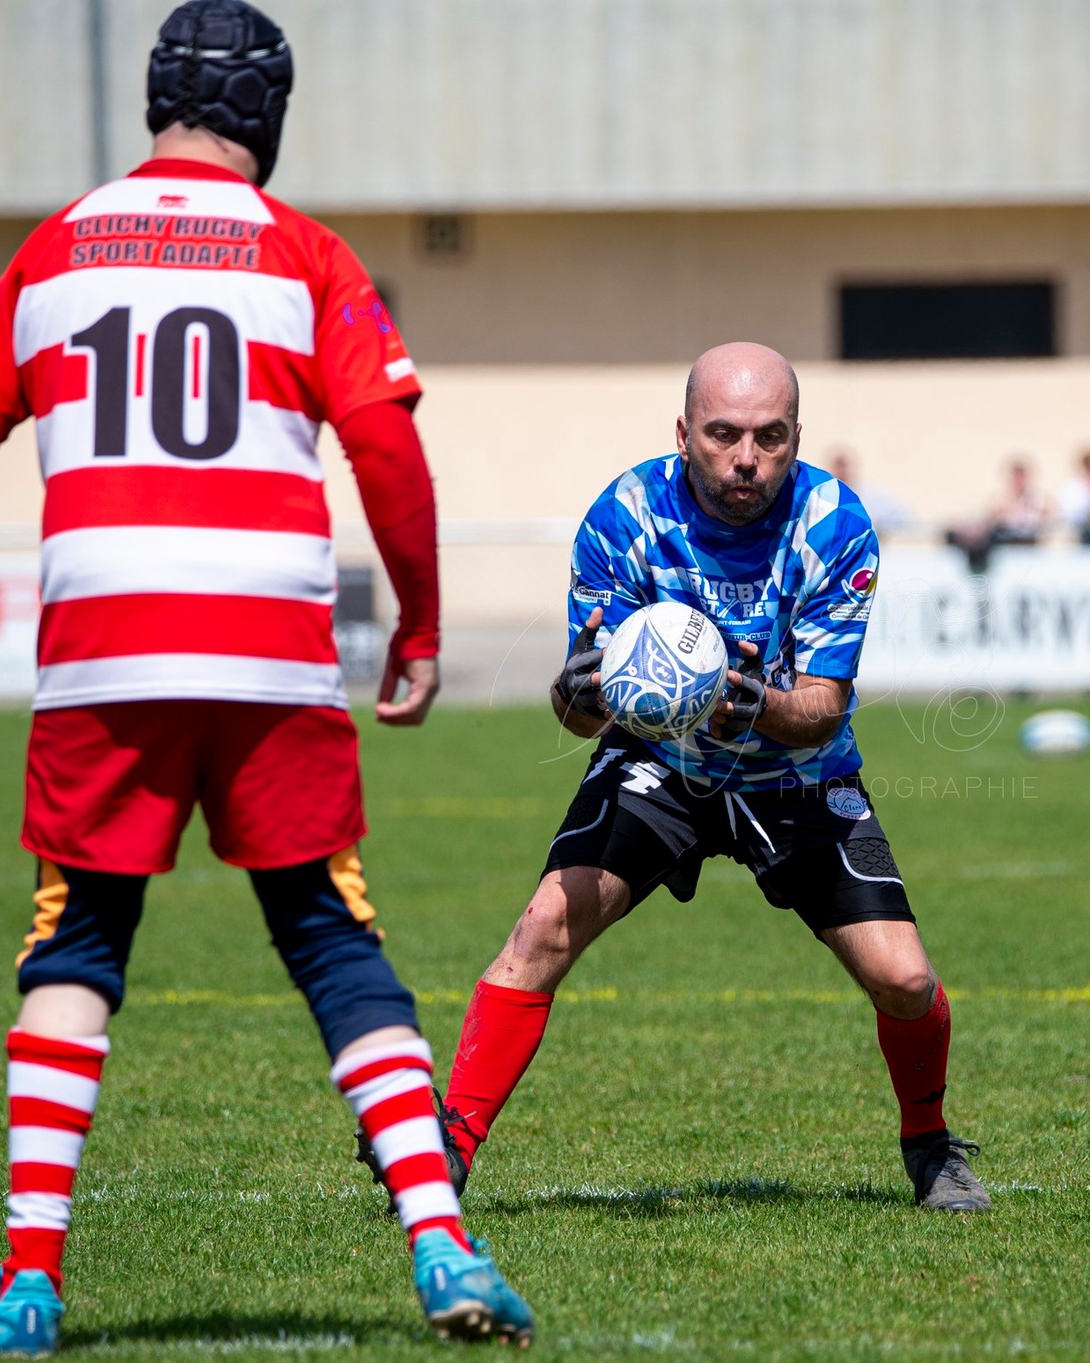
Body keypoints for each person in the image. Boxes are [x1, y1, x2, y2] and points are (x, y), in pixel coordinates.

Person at [0, 2, 532, 1350]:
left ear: (154, 105)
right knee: (327, 933)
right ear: (273, 116)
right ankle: (442, 1245)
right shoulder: (306, 254)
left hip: (104, 647)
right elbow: (390, 455)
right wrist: (417, 632)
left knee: (76, 941)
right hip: (265, 647)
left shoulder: (59, 243)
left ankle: (26, 1279)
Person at [412, 341, 988, 1215]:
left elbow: (825, 706)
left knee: (905, 981)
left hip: (795, 774)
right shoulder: (625, 515)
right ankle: (443, 1151)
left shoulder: (836, 524)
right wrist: (576, 693)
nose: (746, 457)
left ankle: (931, 1148)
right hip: (658, 761)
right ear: (684, 431)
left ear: (798, 435)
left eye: (770, 436)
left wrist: (750, 705)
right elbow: (582, 704)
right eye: (723, 434)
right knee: (539, 935)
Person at [946, 456, 1047, 571]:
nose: (1018, 481)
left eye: (1021, 477)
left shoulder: (1036, 499)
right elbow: (992, 517)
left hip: (1027, 545)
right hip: (1006, 545)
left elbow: (1039, 519)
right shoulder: (1001, 499)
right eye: (1015, 477)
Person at [826, 447, 914, 536]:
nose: (840, 471)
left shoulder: (871, 496)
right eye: (837, 467)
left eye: (843, 466)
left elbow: (903, 517)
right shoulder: (824, 497)